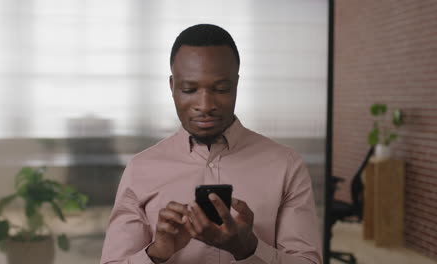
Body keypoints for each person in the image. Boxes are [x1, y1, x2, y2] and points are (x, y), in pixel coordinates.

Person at [100, 24, 322, 264]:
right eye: (189, 89)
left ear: (236, 85)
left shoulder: (286, 165)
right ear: (172, 86)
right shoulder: (140, 169)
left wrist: (248, 249)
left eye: (221, 89)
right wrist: (157, 253)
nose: (205, 105)